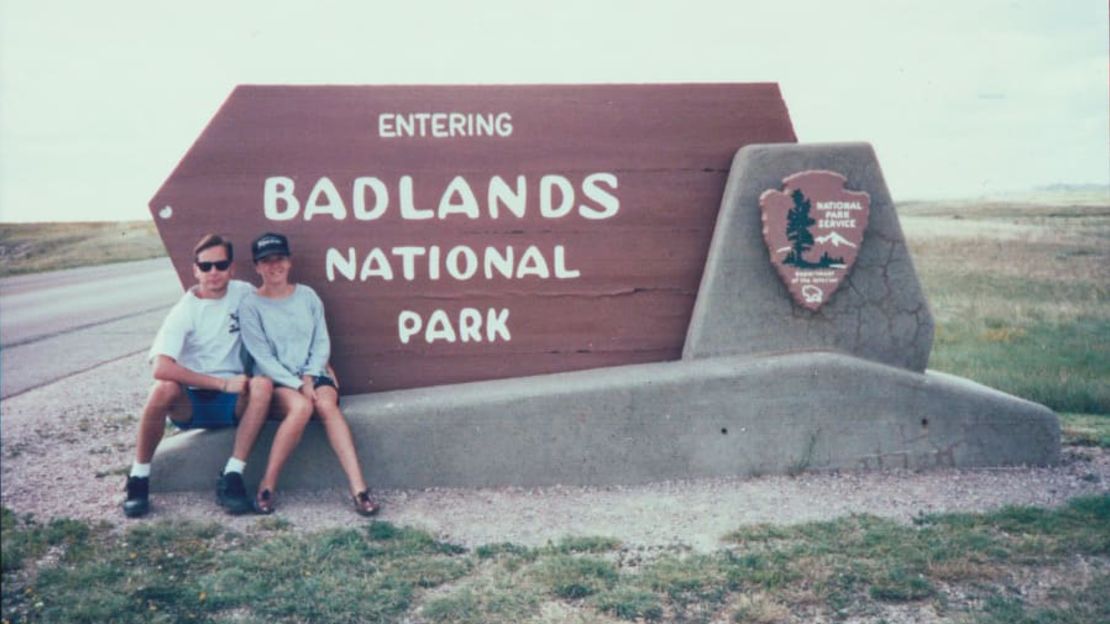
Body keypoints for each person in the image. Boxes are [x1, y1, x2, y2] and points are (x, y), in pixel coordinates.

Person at [123, 234, 274, 518]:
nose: (213, 272)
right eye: (206, 267)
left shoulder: (244, 292)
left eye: (220, 265)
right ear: (195, 270)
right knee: (162, 388)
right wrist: (221, 383)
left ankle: (232, 476)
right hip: (191, 401)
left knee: (263, 386)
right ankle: (139, 478)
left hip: (232, 401)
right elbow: (161, 366)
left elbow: (276, 309)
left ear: (231, 268)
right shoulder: (185, 311)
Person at [238, 232, 379, 516]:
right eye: (266, 261)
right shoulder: (250, 306)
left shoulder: (307, 296)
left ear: (289, 262)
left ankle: (359, 489)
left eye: (279, 259)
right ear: (257, 266)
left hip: (313, 374)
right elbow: (262, 357)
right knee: (301, 407)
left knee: (326, 404)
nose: (273, 266)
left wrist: (310, 378)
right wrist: (297, 384)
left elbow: (321, 341)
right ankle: (267, 486)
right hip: (278, 379)